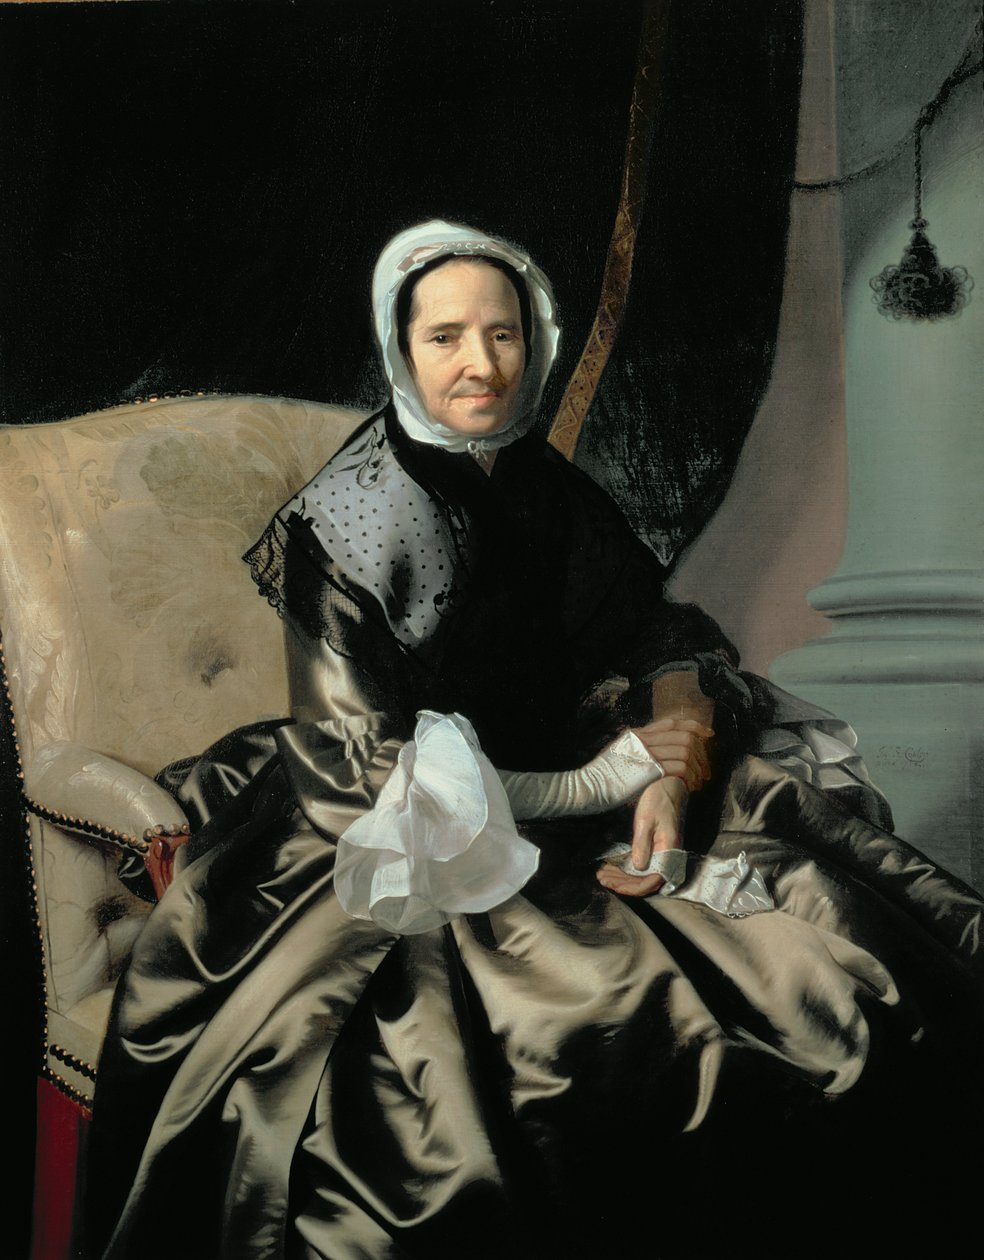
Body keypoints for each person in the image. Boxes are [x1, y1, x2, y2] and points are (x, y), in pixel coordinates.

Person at [86, 222, 984, 1260]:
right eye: (445, 338)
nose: (481, 365)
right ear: (399, 350)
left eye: (503, 334)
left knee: (857, 945)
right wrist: (599, 782)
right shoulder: (343, 520)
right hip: (404, 831)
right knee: (585, 1039)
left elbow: (658, 631)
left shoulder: (539, 480)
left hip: (580, 776)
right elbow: (365, 770)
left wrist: (671, 748)